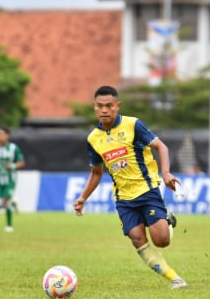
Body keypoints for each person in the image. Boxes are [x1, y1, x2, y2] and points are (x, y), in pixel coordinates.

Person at [73, 85, 188, 290]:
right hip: (123, 198)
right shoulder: (93, 139)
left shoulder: (133, 125)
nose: (105, 110)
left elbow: (161, 146)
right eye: (100, 106)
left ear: (118, 106)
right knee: (137, 238)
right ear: (94, 108)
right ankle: (175, 279)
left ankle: (167, 219)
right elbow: (96, 173)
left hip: (147, 189)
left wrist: (166, 172)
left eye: (109, 105)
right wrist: (83, 198)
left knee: (161, 241)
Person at [0, 126, 25, 232]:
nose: (0, 136)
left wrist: (13, 166)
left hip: (10, 179)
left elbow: (22, 162)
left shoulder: (13, 148)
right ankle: (14, 202)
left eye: (3, 134)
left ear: (7, 136)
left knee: (5, 202)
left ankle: (9, 226)